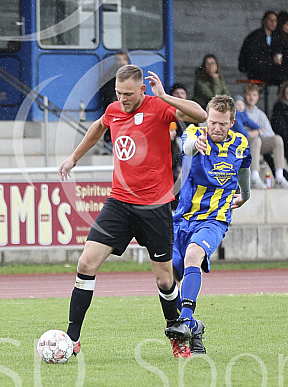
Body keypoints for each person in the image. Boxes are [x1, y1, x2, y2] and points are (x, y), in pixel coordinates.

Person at [57, 65, 207, 358]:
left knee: (165, 280)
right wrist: (73, 158)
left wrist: (164, 95)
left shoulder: (159, 107)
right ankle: (72, 338)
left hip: (155, 207)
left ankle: (176, 333)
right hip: (120, 203)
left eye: (128, 94)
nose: (122, 99)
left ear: (142, 90)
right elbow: (99, 126)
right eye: (118, 93)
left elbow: (200, 115)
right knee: (86, 264)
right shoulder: (114, 110)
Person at [171, 95, 251, 356]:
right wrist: (196, 144)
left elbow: (244, 168)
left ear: (232, 122)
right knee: (168, 279)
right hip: (182, 219)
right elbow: (186, 148)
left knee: (194, 255)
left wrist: (246, 194)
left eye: (222, 124)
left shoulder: (240, 144)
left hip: (214, 219)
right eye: (212, 122)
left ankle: (184, 321)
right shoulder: (194, 132)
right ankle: (194, 327)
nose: (216, 128)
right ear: (206, 117)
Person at [242, 83, 288, 189]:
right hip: (242, 144)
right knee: (255, 140)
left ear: (258, 97)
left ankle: (279, 178)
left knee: (277, 140)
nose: (251, 98)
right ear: (244, 96)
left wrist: (258, 132)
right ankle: (255, 178)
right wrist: (250, 134)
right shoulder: (239, 111)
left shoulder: (260, 114)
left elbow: (270, 133)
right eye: (249, 95)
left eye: (254, 95)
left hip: (258, 144)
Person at [238, 11, 286, 85]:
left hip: (269, 69)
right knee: (282, 77)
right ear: (264, 21)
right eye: (271, 20)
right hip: (255, 71)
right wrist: (272, 60)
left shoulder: (276, 37)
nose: (273, 23)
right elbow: (252, 59)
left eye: (275, 21)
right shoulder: (254, 37)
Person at [169, 82, 189, 209]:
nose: (180, 96)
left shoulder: (190, 113)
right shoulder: (168, 112)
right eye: (177, 93)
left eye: (182, 93)